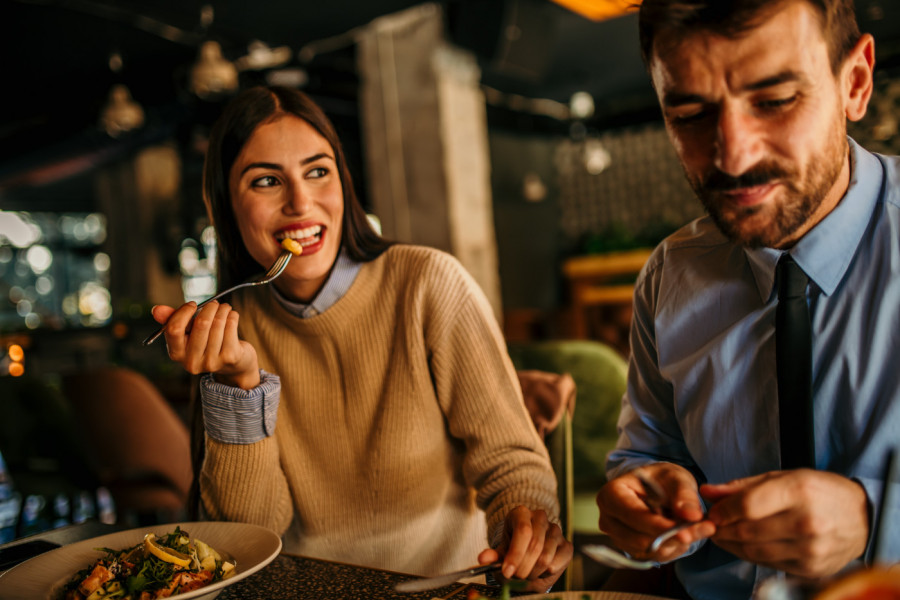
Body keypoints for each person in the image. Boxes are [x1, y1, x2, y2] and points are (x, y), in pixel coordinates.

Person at [151, 86, 572, 591]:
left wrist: (524, 533)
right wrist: (238, 387)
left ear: (343, 182)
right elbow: (248, 542)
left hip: (441, 589)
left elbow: (511, 464)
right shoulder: (231, 331)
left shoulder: (427, 283)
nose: (301, 203)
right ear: (223, 205)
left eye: (317, 171)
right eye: (266, 180)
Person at [595, 1, 900, 598]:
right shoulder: (669, 274)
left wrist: (876, 521)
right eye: (689, 113)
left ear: (855, 83)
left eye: (776, 100)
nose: (733, 156)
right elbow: (645, 454)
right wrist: (643, 492)